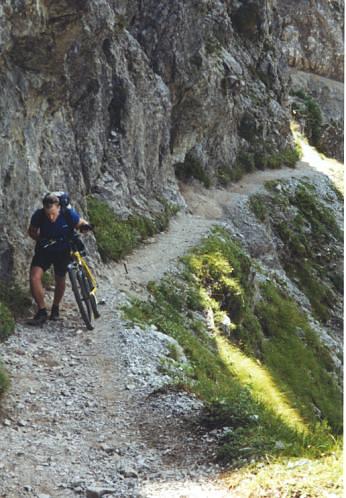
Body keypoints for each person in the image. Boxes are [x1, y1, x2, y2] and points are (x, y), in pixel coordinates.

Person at [27, 193, 90, 325]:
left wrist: (85, 227)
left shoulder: (67, 214)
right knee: (34, 276)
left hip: (63, 250)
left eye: (53, 214)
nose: (50, 217)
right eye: (48, 214)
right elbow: (32, 231)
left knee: (60, 278)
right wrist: (40, 239)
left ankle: (55, 308)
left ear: (59, 207)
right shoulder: (39, 215)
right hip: (45, 249)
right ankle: (42, 311)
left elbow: (79, 222)